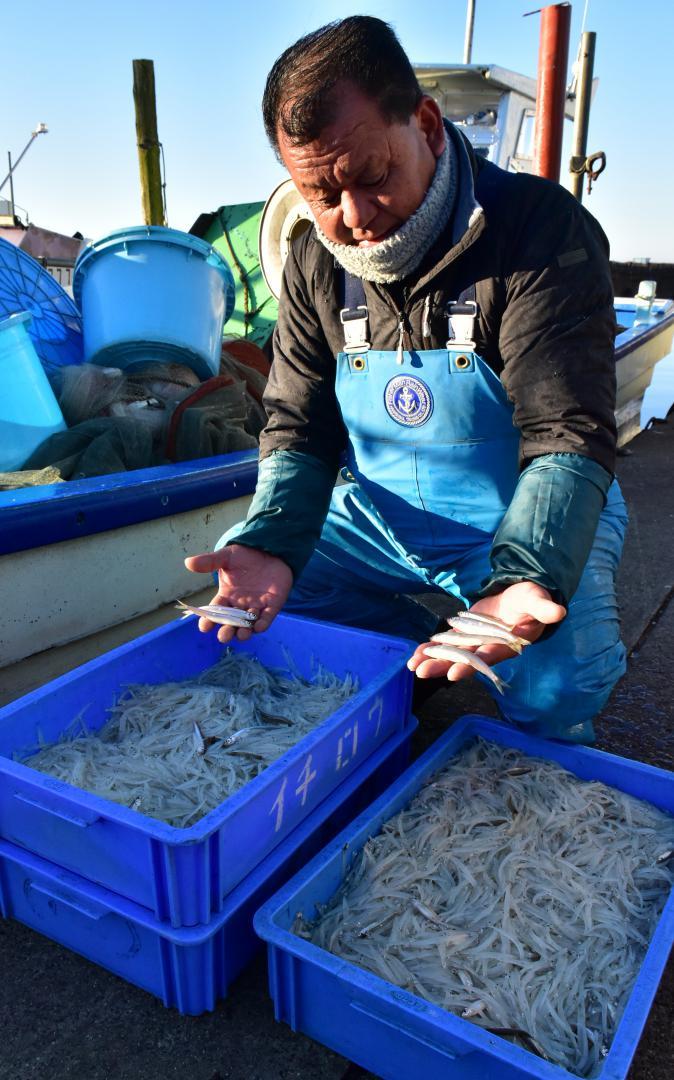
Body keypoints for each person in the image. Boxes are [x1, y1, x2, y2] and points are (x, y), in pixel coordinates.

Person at [186, 15, 627, 743]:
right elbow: (299, 425)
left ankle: (521, 671)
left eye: (373, 177)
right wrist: (271, 537)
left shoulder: (540, 230)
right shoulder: (314, 260)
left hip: (514, 517)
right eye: (321, 196)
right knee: (274, 596)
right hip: (380, 520)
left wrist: (530, 571)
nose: (353, 218)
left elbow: (566, 432)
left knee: (558, 678)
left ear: (425, 123)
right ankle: (410, 649)